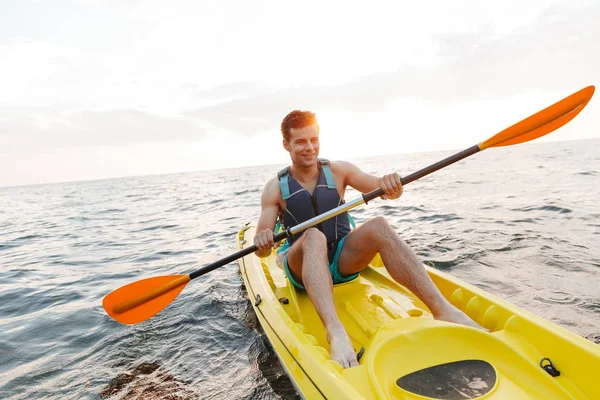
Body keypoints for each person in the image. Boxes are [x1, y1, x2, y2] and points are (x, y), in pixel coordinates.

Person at [254, 110, 484, 369]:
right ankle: (335, 332)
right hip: (302, 268)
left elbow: (380, 188)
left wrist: (391, 185)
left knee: (378, 225)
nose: (310, 148)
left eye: (314, 140)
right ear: (286, 145)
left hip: (342, 260)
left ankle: (443, 309)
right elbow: (262, 250)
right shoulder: (274, 189)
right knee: (313, 237)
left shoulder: (340, 171)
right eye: (301, 142)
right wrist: (263, 240)